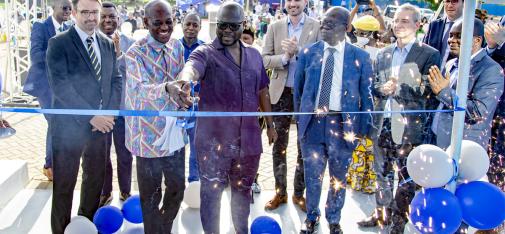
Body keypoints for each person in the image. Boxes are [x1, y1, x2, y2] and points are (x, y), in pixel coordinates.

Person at [177, 2, 277, 233]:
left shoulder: (254, 55)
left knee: (243, 192)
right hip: (214, 144)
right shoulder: (205, 53)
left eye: (233, 26)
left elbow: (263, 91)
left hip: (249, 141)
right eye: (222, 26)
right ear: (216, 25)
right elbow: (192, 67)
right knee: (211, 194)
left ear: (243, 25)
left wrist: (270, 125)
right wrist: (184, 81)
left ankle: (240, 230)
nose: (227, 31)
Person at [357, 4, 441, 232]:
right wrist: (380, 88)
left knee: (405, 180)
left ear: (417, 24)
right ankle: (380, 214)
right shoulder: (384, 53)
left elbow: (430, 90)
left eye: (405, 21)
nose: (398, 24)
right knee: (381, 176)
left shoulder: (429, 53)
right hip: (382, 124)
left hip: (409, 129)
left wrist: (400, 87)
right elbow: (372, 86)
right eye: (396, 20)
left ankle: (397, 223)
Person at [294, 6, 373, 233]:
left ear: (346, 27)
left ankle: (334, 218)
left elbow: (366, 97)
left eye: (330, 24)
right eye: (323, 22)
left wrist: (365, 129)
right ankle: (312, 216)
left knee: (338, 176)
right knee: (313, 176)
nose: (323, 27)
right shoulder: (308, 53)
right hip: (313, 126)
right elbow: (299, 92)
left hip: (343, 125)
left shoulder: (361, 57)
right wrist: (302, 122)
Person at [46, 0, 122, 231]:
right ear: (75, 13)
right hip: (68, 129)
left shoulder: (108, 44)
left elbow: (115, 81)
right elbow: (61, 86)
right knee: (64, 186)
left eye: (95, 12)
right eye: (86, 12)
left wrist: (108, 114)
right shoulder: (58, 43)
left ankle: (84, 227)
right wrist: (92, 116)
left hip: (101, 128)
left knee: (94, 184)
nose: (91, 17)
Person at [124, 0, 188, 233]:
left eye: (169, 22)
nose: (164, 27)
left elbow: (181, 81)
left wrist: (184, 95)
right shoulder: (134, 53)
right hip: (146, 135)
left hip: (174, 134)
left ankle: (163, 227)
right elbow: (138, 90)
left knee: (177, 189)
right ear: (145, 22)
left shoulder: (178, 47)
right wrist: (167, 88)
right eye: (157, 23)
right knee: (151, 197)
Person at [261, 0, 321, 212]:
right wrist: (284, 58)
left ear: (305, 2)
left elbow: (321, 59)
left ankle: (298, 193)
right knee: (279, 145)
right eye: (290, 0)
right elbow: (264, 59)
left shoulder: (316, 26)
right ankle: (280, 193)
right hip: (280, 94)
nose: (293, 3)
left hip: (306, 95)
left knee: (304, 145)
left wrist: (299, 52)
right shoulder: (274, 27)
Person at [429, 19, 503, 150]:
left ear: (477, 40)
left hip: (463, 148)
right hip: (437, 139)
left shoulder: (491, 69)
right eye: (451, 35)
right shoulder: (451, 63)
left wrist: (443, 92)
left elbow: (479, 113)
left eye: (459, 36)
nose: (451, 40)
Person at [23, 0, 72, 181]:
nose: (67, 11)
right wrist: (59, 54)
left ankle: (55, 164)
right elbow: (35, 55)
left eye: (69, 8)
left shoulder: (70, 28)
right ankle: (50, 165)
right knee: (55, 122)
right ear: (53, 7)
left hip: (65, 87)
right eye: (64, 8)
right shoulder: (41, 27)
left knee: (60, 124)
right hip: (45, 87)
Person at [97, 1, 135, 206]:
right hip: (101, 111)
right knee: (103, 154)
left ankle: (126, 191)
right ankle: (105, 192)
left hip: (122, 110)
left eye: (111, 16)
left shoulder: (129, 42)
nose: (108, 20)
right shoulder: (91, 41)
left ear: (118, 19)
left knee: (124, 153)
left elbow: (131, 74)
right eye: (103, 16)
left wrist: (119, 53)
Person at [179, 12, 204, 183]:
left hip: (197, 106)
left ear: (200, 27)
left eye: (195, 25)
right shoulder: (173, 47)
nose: (191, 28)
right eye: (188, 24)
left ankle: (194, 183)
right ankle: (176, 185)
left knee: (196, 148)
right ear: (181, 25)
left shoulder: (205, 49)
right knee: (176, 149)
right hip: (176, 106)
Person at [423, 0, 463, 70]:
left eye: (454, 1)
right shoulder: (434, 25)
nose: (450, 5)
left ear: (464, 3)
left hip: (455, 78)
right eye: (447, 1)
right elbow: (423, 51)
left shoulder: (471, 28)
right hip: (431, 76)